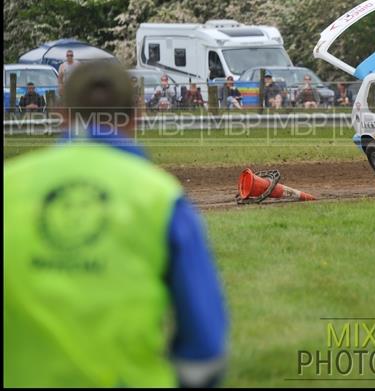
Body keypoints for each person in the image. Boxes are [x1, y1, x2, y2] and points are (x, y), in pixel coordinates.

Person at [4, 61, 228, 387]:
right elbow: (205, 343)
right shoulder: (161, 196)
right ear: (137, 116)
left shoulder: (10, 184)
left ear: (61, 114)